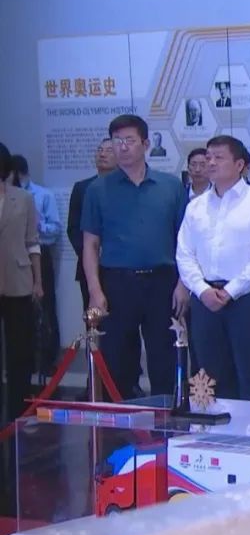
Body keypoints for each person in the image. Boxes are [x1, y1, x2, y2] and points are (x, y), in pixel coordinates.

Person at [82, 114, 189, 398]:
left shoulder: (171, 186)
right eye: (117, 141)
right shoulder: (98, 190)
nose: (122, 147)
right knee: (117, 360)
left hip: (163, 283)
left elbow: (185, 242)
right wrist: (95, 290)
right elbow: (90, 244)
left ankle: (167, 418)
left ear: (145, 143)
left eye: (129, 140)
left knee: (164, 358)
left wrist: (184, 284)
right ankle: (120, 419)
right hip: (118, 283)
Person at [176, 135, 250, 400]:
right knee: (209, 370)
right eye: (208, 157)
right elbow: (184, 253)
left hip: (247, 297)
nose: (210, 163)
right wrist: (201, 289)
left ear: (239, 164)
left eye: (218, 157)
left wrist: (231, 291)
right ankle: (214, 423)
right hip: (205, 298)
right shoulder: (195, 207)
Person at [0, 142, 44, 422]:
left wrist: (38, 281)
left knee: (19, 350)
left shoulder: (23, 198)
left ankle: (19, 410)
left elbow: (32, 242)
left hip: (18, 279)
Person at [10, 154, 62, 372]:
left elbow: (55, 230)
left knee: (45, 306)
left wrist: (37, 225)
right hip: (13, 257)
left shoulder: (42, 195)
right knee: (19, 310)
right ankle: (25, 359)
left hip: (40, 253)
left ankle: (49, 359)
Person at [69, 138, 117, 310]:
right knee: (93, 316)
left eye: (109, 151)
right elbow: (73, 228)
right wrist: (90, 253)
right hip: (89, 267)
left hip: (119, 267)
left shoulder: (125, 187)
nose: (102, 154)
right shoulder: (82, 188)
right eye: (100, 150)